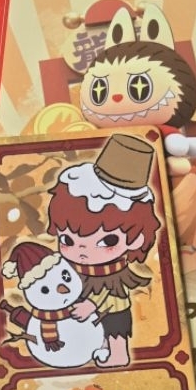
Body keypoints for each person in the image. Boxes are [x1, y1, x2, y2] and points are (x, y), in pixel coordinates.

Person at [46, 134, 161, 368]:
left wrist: (92, 305)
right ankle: (94, 348)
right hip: (82, 305)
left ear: (136, 239)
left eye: (107, 241)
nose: (82, 250)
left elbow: (107, 293)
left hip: (112, 305)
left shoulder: (113, 273)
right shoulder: (73, 268)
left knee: (114, 327)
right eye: (67, 239)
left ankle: (118, 354)